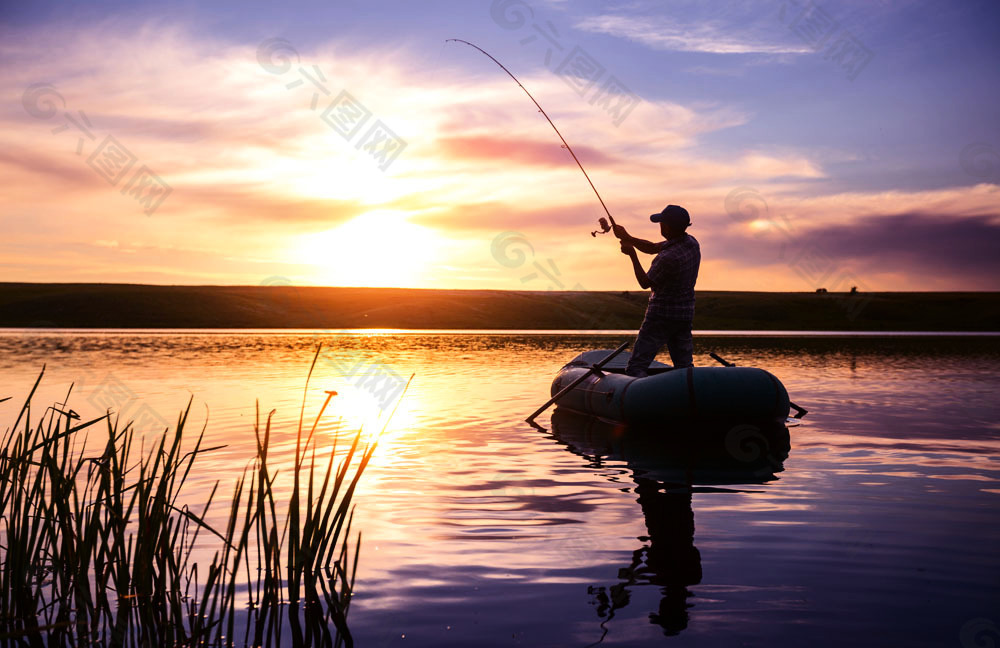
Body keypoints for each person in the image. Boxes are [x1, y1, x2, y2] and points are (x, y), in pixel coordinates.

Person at [613, 205, 700, 377]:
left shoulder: (667, 258)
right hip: (684, 316)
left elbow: (645, 283)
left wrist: (632, 254)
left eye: (661, 222)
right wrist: (628, 237)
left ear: (666, 227)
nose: (659, 225)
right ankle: (688, 395)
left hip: (660, 316)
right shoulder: (691, 243)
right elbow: (652, 247)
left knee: (637, 366)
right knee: (684, 366)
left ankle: (635, 398)